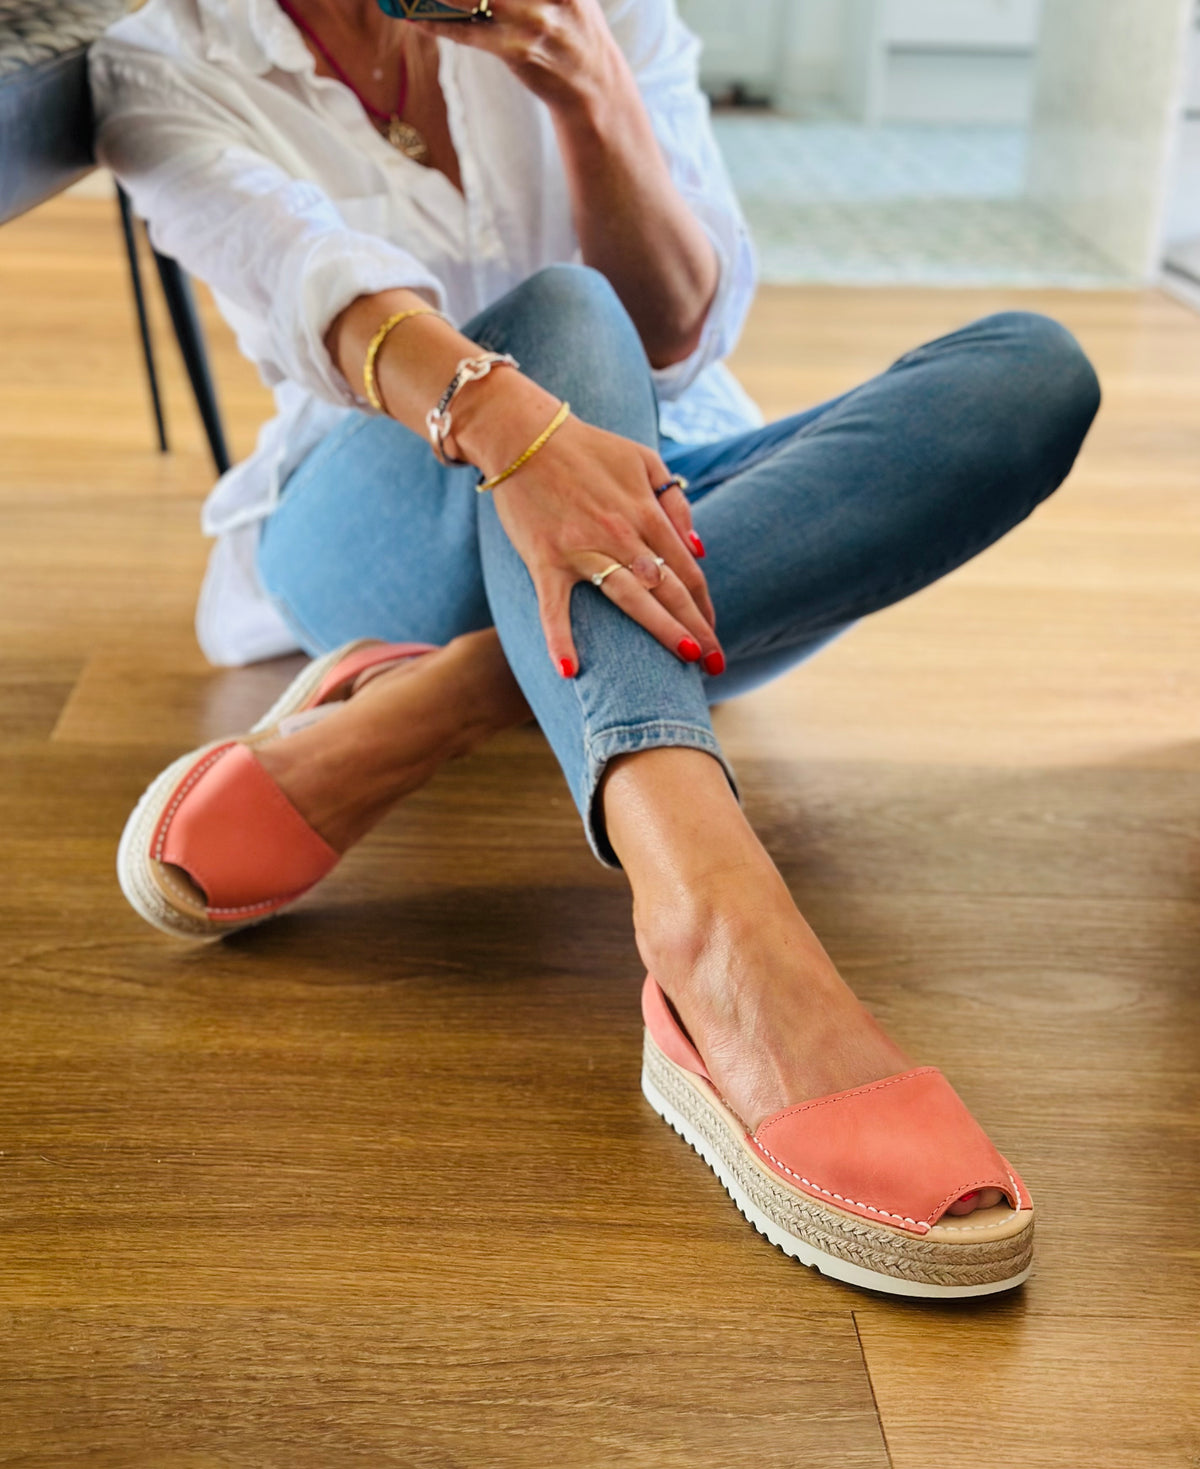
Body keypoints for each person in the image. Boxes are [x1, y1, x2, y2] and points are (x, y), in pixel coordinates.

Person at [92, 0, 1100, 1297]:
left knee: (1027, 372)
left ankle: (425, 711)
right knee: (556, 315)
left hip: (649, 484)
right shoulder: (159, 46)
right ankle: (714, 932)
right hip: (380, 511)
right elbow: (308, 282)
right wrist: (512, 421)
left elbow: (677, 327)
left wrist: (586, 86)